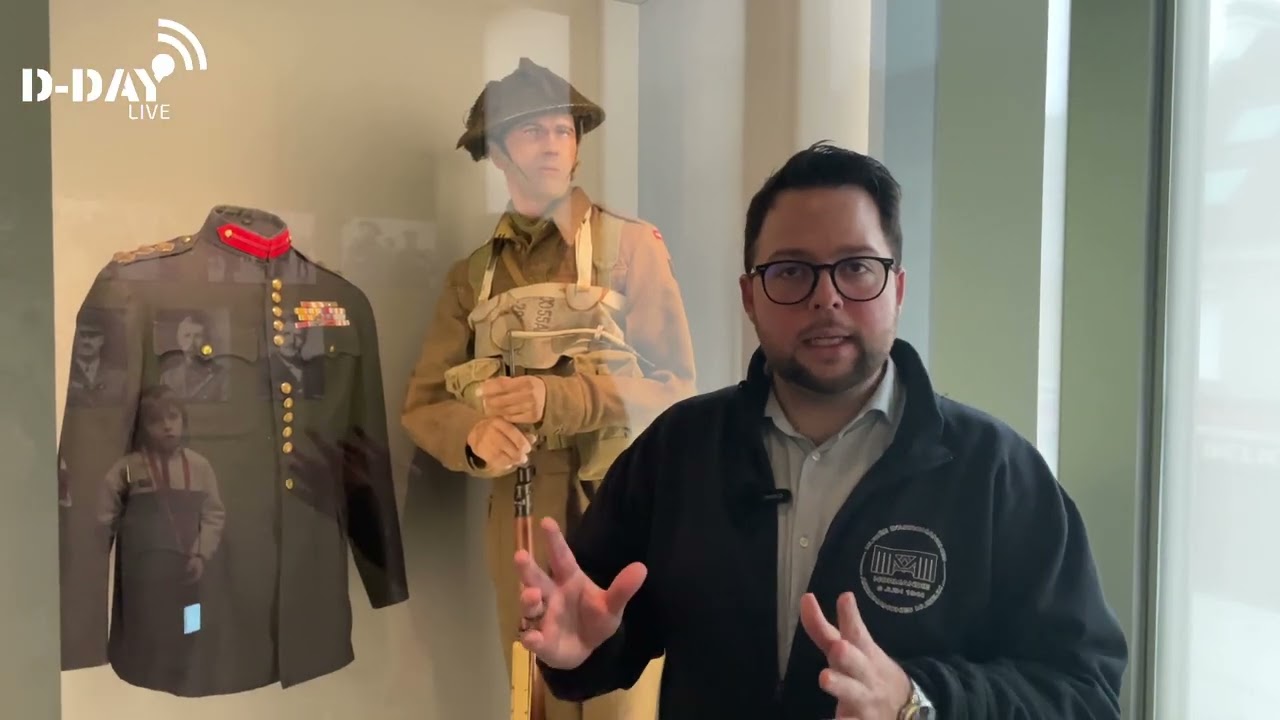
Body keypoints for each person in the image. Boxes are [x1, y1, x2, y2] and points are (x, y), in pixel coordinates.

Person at [510, 142, 1129, 719]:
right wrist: (587, 649)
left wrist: (917, 698)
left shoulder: (995, 472)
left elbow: (1084, 691)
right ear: (750, 298)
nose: (826, 298)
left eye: (857, 267)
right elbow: (599, 621)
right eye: (791, 272)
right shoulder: (680, 451)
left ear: (898, 289)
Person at [400, 57, 697, 720]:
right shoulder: (472, 277)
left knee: (625, 685)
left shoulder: (630, 247)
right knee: (534, 687)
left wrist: (555, 401)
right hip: (521, 509)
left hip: (619, 491)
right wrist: (474, 435)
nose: (553, 143)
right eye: (531, 130)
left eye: (562, 129)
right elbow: (425, 404)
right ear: (497, 152)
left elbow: (674, 387)